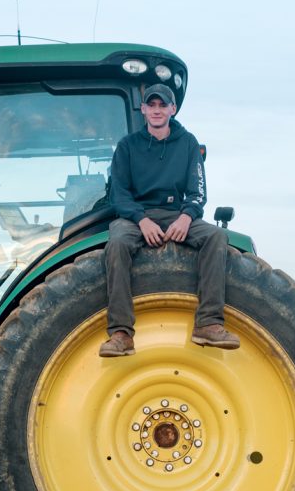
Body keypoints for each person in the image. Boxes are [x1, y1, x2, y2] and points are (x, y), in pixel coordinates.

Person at [99, 84, 240, 357]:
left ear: (172, 109)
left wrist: (187, 217)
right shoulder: (128, 146)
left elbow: (198, 191)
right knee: (116, 242)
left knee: (216, 237)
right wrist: (141, 220)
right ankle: (121, 333)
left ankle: (208, 324)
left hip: (176, 214)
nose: (157, 110)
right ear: (143, 109)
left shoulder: (187, 142)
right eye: (151, 105)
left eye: (163, 105)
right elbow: (119, 193)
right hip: (137, 216)